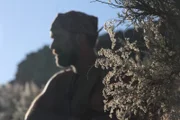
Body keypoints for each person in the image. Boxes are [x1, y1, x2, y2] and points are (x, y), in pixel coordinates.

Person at [24, 10, 111, 120]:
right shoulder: (59, 82)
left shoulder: (114, 76)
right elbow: (32, 117)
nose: (52, 46)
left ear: (80, 38)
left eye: (58, 37)